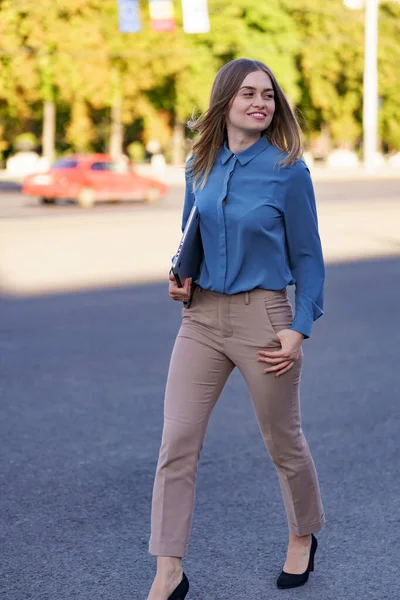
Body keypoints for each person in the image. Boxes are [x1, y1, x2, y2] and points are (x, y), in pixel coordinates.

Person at [146, 58, 325, 600]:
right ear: (225, 101)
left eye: (267, 96)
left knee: (282, 440)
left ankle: (302, 535)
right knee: (176, 442)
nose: (260, 103)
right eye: (247, 93)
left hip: (265, 320)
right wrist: (180, 279)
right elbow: (189, 239)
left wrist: (299, 326)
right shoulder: (198, 167)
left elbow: (309, 258)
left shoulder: (288, 171)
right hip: (200, 319)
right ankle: (168, 570)